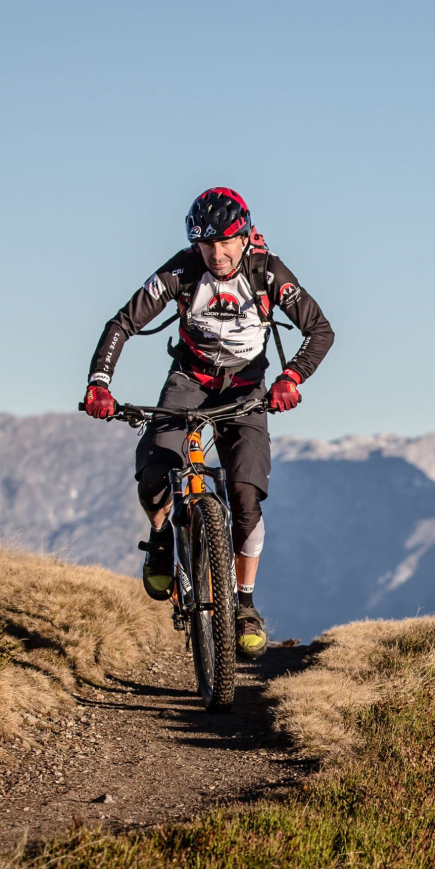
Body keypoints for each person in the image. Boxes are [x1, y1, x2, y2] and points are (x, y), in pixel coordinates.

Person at [80, 188, 334, 658]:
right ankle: (161, 540)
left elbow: (320, 329)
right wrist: (99, 383)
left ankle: (245, 606)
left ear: (245, 236)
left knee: (245, 495)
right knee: (154, 472)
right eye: (205, 245)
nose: (216, 254)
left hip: (247, 387)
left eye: (225, 243)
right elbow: (122, 324)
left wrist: (291, 378)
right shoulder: (182, 270)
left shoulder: (268, 272)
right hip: (189, 380)